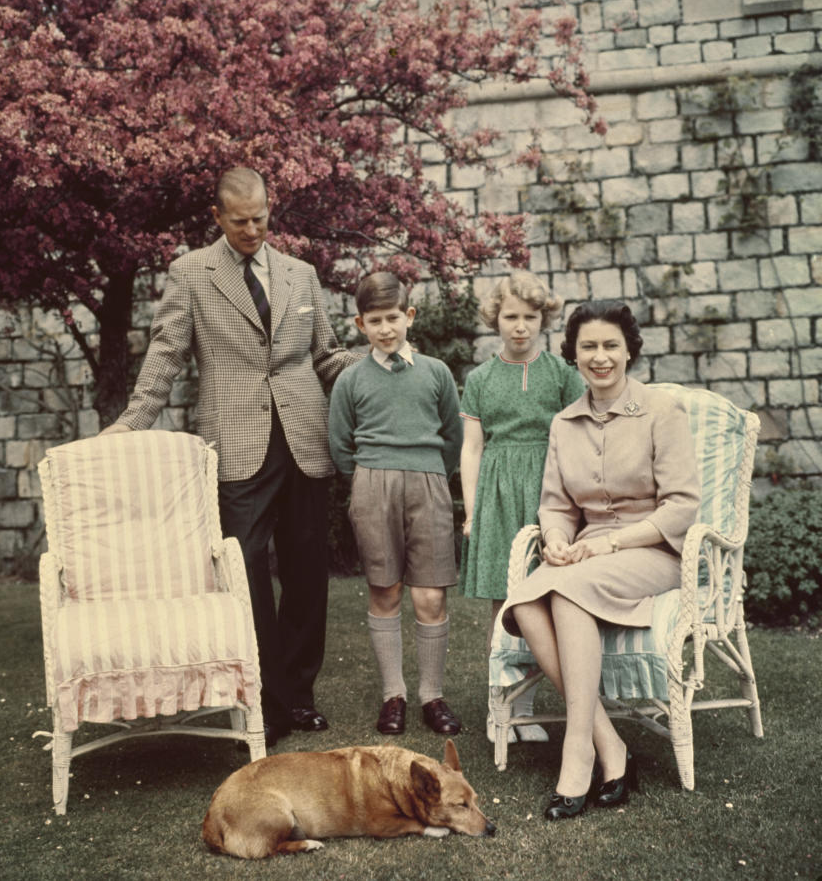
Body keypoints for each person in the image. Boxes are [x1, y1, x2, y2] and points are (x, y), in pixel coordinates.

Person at [102, 167, 357, 747]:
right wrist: (131, 421)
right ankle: (263, 698)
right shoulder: (191, 273)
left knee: (307, 569)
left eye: (261, 218)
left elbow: (327, 356)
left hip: (304, 438)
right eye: (240, 221)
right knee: (243, 571)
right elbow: (166, 354)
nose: (252, 229)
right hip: (236, 443)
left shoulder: (301, 275)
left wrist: (378, 366)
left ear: (271, 209)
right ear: (216, 217)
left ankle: (299, 696)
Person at [499, 301, 700, 820]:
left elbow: (682, 504)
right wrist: (555, 539)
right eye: (588, 346)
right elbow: (556, 505)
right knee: (526, 603)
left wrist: (611, 543)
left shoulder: (661, 412)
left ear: (630, 349)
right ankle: (607, 744)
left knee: (564, 590)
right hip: (587, 554)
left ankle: (576, 754)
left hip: (651, 550)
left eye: (611, 344)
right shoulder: (565, 424)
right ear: (574, 355)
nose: (600, 356)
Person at [328, 272, 464, 736]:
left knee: (429, 594)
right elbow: (340, 444)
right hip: (373, 485)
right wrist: (368, 481)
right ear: (360, 324)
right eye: (375, 321)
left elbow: (453, 436)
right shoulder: (351, 379)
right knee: (385, 590)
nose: (386, 329)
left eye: (393, 318)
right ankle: (394, 695)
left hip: (428, 482)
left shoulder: (436, 372)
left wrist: (432, 477)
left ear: (409, 317)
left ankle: (432, 694)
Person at [458, 272, 585, 743]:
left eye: (530, 317)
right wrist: (472, 511)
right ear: (495, 319)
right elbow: (471, 448)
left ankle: (527, 709)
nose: (520, 326)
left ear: (543, 319)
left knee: (545, 598)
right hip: (497, 492)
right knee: (502, 600)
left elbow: (579, 439)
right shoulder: (481, 379)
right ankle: (500, 709)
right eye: (510, 316)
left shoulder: (561, 374)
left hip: (548, 490)